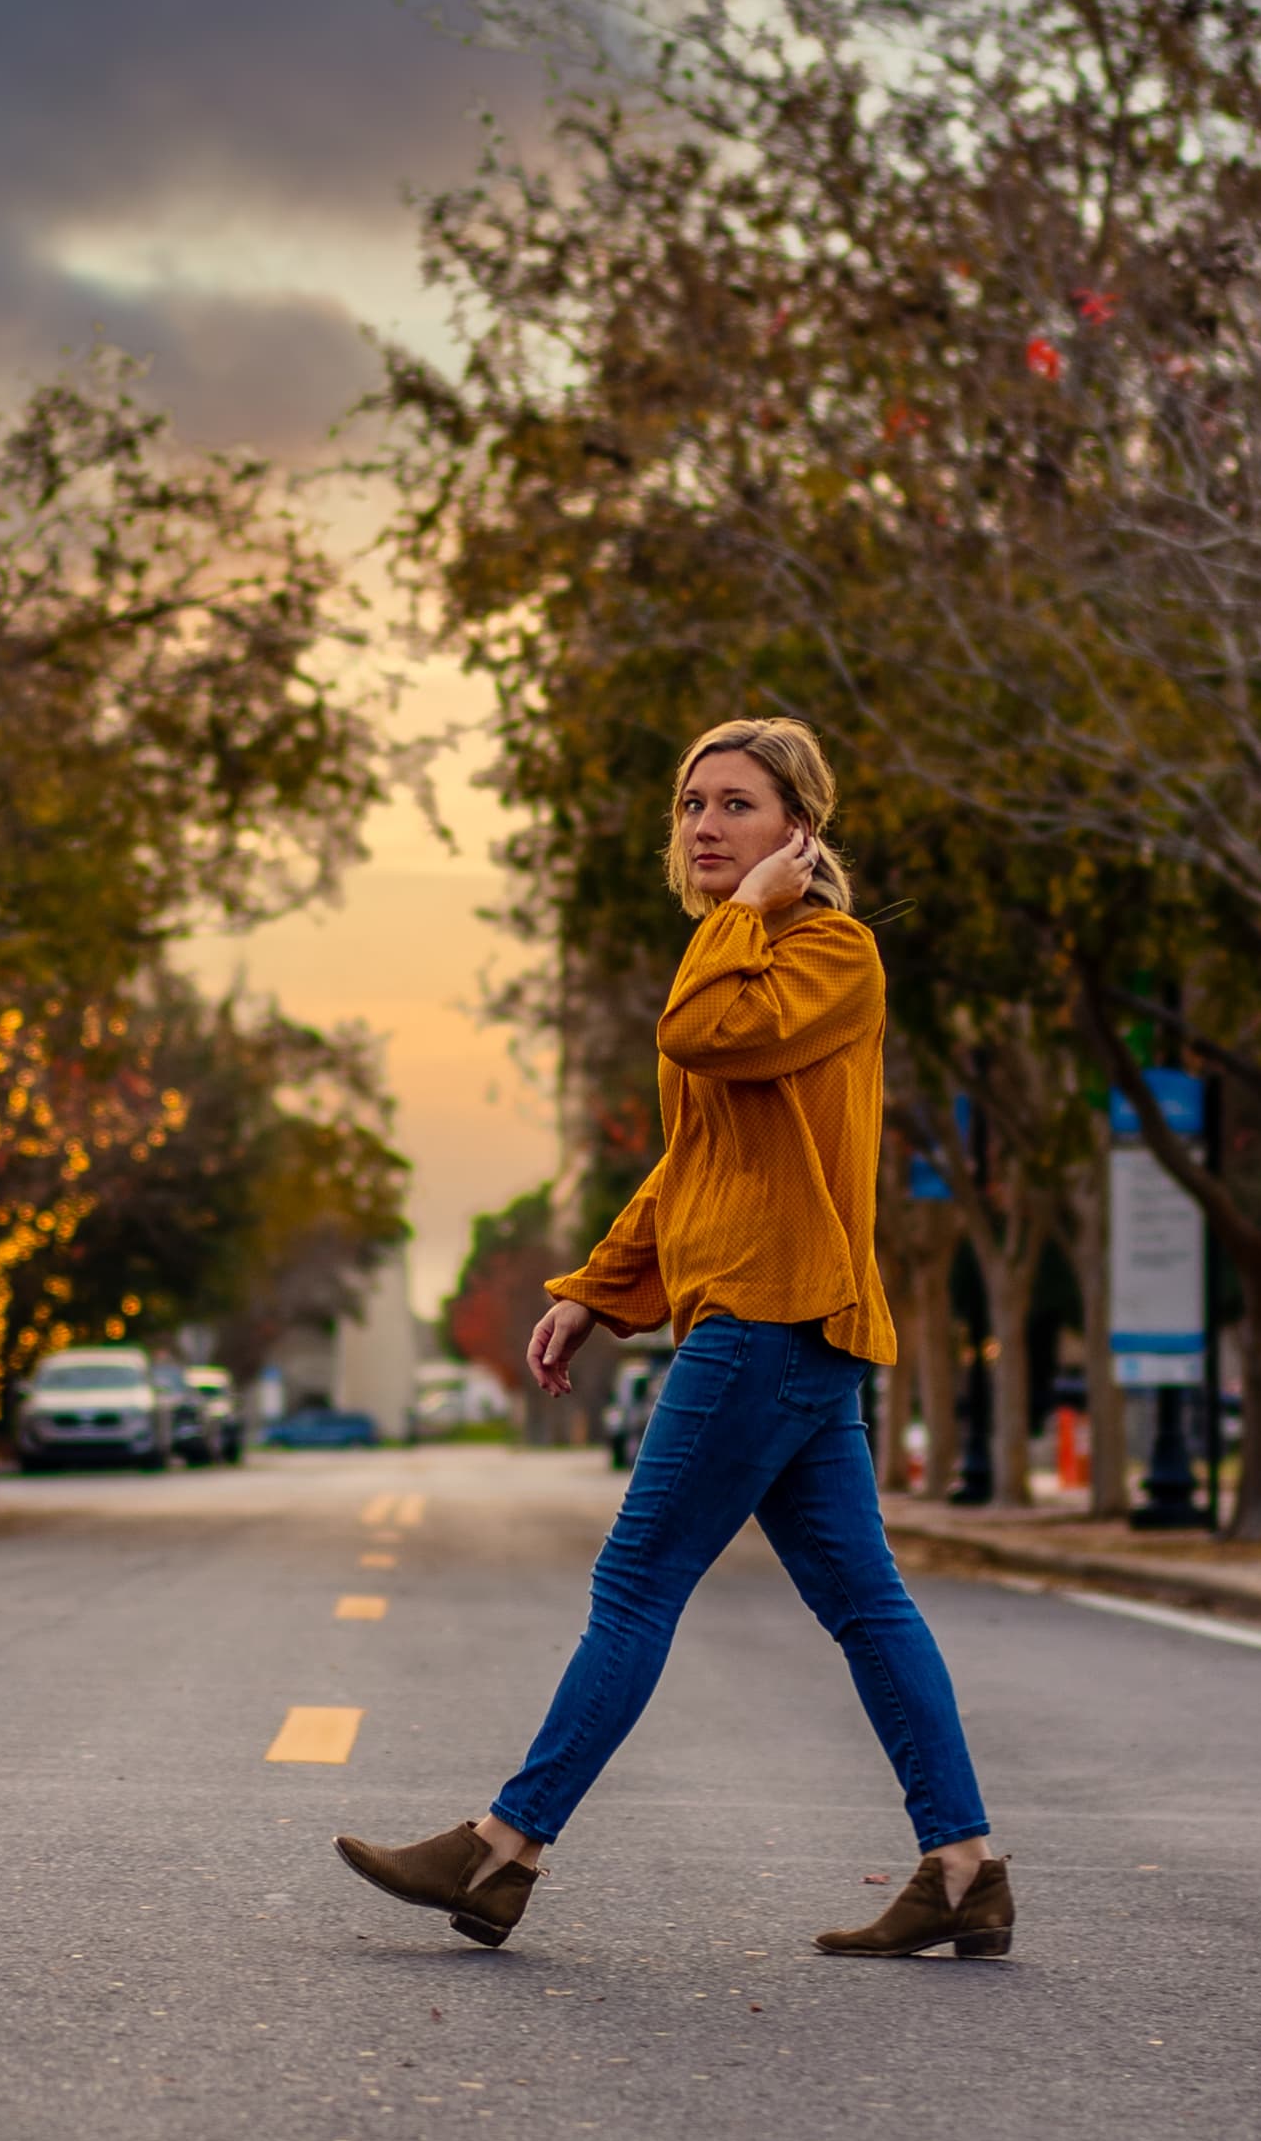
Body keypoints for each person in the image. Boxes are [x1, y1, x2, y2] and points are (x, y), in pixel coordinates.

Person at [335, 715, 1012, 1961]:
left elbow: (697, 1033)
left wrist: (742, 913)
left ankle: (502, 1849)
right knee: (866, 1605)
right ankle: (962, 1871)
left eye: (736, 806)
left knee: (636, 1585)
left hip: (765, 1318)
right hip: (781, 1321)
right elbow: (695, 1155)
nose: (704, 827)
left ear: (797, 831)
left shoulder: (828, 957)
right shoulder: (743, 957)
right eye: (692, 806)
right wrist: (595, 1287)